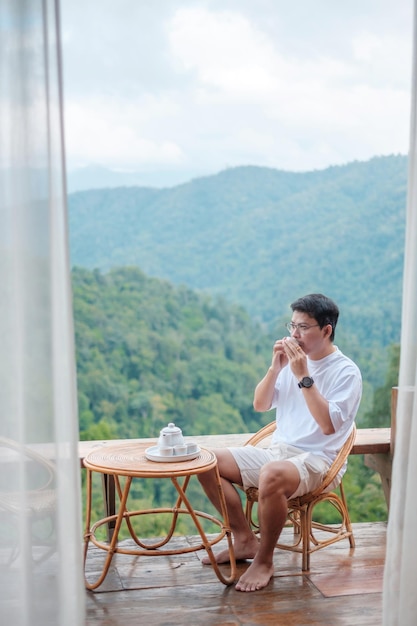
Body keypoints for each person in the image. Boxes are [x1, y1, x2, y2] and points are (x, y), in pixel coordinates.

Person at [198, 293, 362, 592]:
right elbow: (260, 405)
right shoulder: (289, 363)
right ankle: (245, 539)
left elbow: (327, 426)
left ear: (326, 330)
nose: (294, 335)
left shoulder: (346, 372)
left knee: (271, 474)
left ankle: (265, 559)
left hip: (319, 459)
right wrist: (276, 367)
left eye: (303, 327)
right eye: (292, 326)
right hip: (278, 450)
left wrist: (303, 376)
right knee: (204, 461)